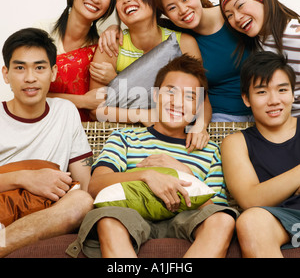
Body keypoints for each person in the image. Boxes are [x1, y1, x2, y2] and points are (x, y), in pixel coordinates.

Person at [67, 54, 238, 259]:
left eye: (190, 97)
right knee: (107, 219)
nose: (177, 103)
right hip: (130, 216)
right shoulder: (125, 137)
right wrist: (147, 175)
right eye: (170, 92)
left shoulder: (209, 149)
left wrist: (184, 173)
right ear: (156, 95)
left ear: (198, 107)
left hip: (185, 221)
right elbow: (95, 185)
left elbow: (215, 210)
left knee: (224, 220)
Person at [100, 0, 252, 123]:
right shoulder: (177, 36)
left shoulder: (233, 14)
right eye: (172, 8)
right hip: (221, 118)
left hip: (261, 107)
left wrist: (116, 80)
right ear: (165, 13)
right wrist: (112, 28)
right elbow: (97, 108)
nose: (183, 9)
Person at [90, 0, 212, 151]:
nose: (126, 0)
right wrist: (142, 115)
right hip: (124, 141)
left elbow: (202, 98)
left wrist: (200, 126)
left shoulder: (184, 42)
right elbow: (96, 110)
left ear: (154, 0)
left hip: (175, 138)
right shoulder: (110, 45)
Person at [0, 28, 94, 257]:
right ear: (6, 74)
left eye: (39, 68)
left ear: (53, 72)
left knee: (82, 200)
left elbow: (84, 184)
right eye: (20, 68)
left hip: (45, 211)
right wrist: (27, 178)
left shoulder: (66, 112)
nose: (30, 77)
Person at [221, 51, 300, 257]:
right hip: (282, 221)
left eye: (282, 90)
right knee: (251, 219)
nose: (274, 100)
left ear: (293, 93)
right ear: (247, 98)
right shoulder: (236, 143)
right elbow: (251, 200)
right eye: (262, 92)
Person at [34, 0, 117, 121]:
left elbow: (106, 100)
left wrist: (115, 79)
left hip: (86, 132)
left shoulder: (103, 45)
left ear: (109, 6)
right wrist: (83, 101)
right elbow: (26, 91)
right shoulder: (41, 32)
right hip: (41, 124)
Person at [219, 0, 300, 116]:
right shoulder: (256, 43)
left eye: (241, 5)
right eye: (229, 15)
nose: (237, 18)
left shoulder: (294, 35)